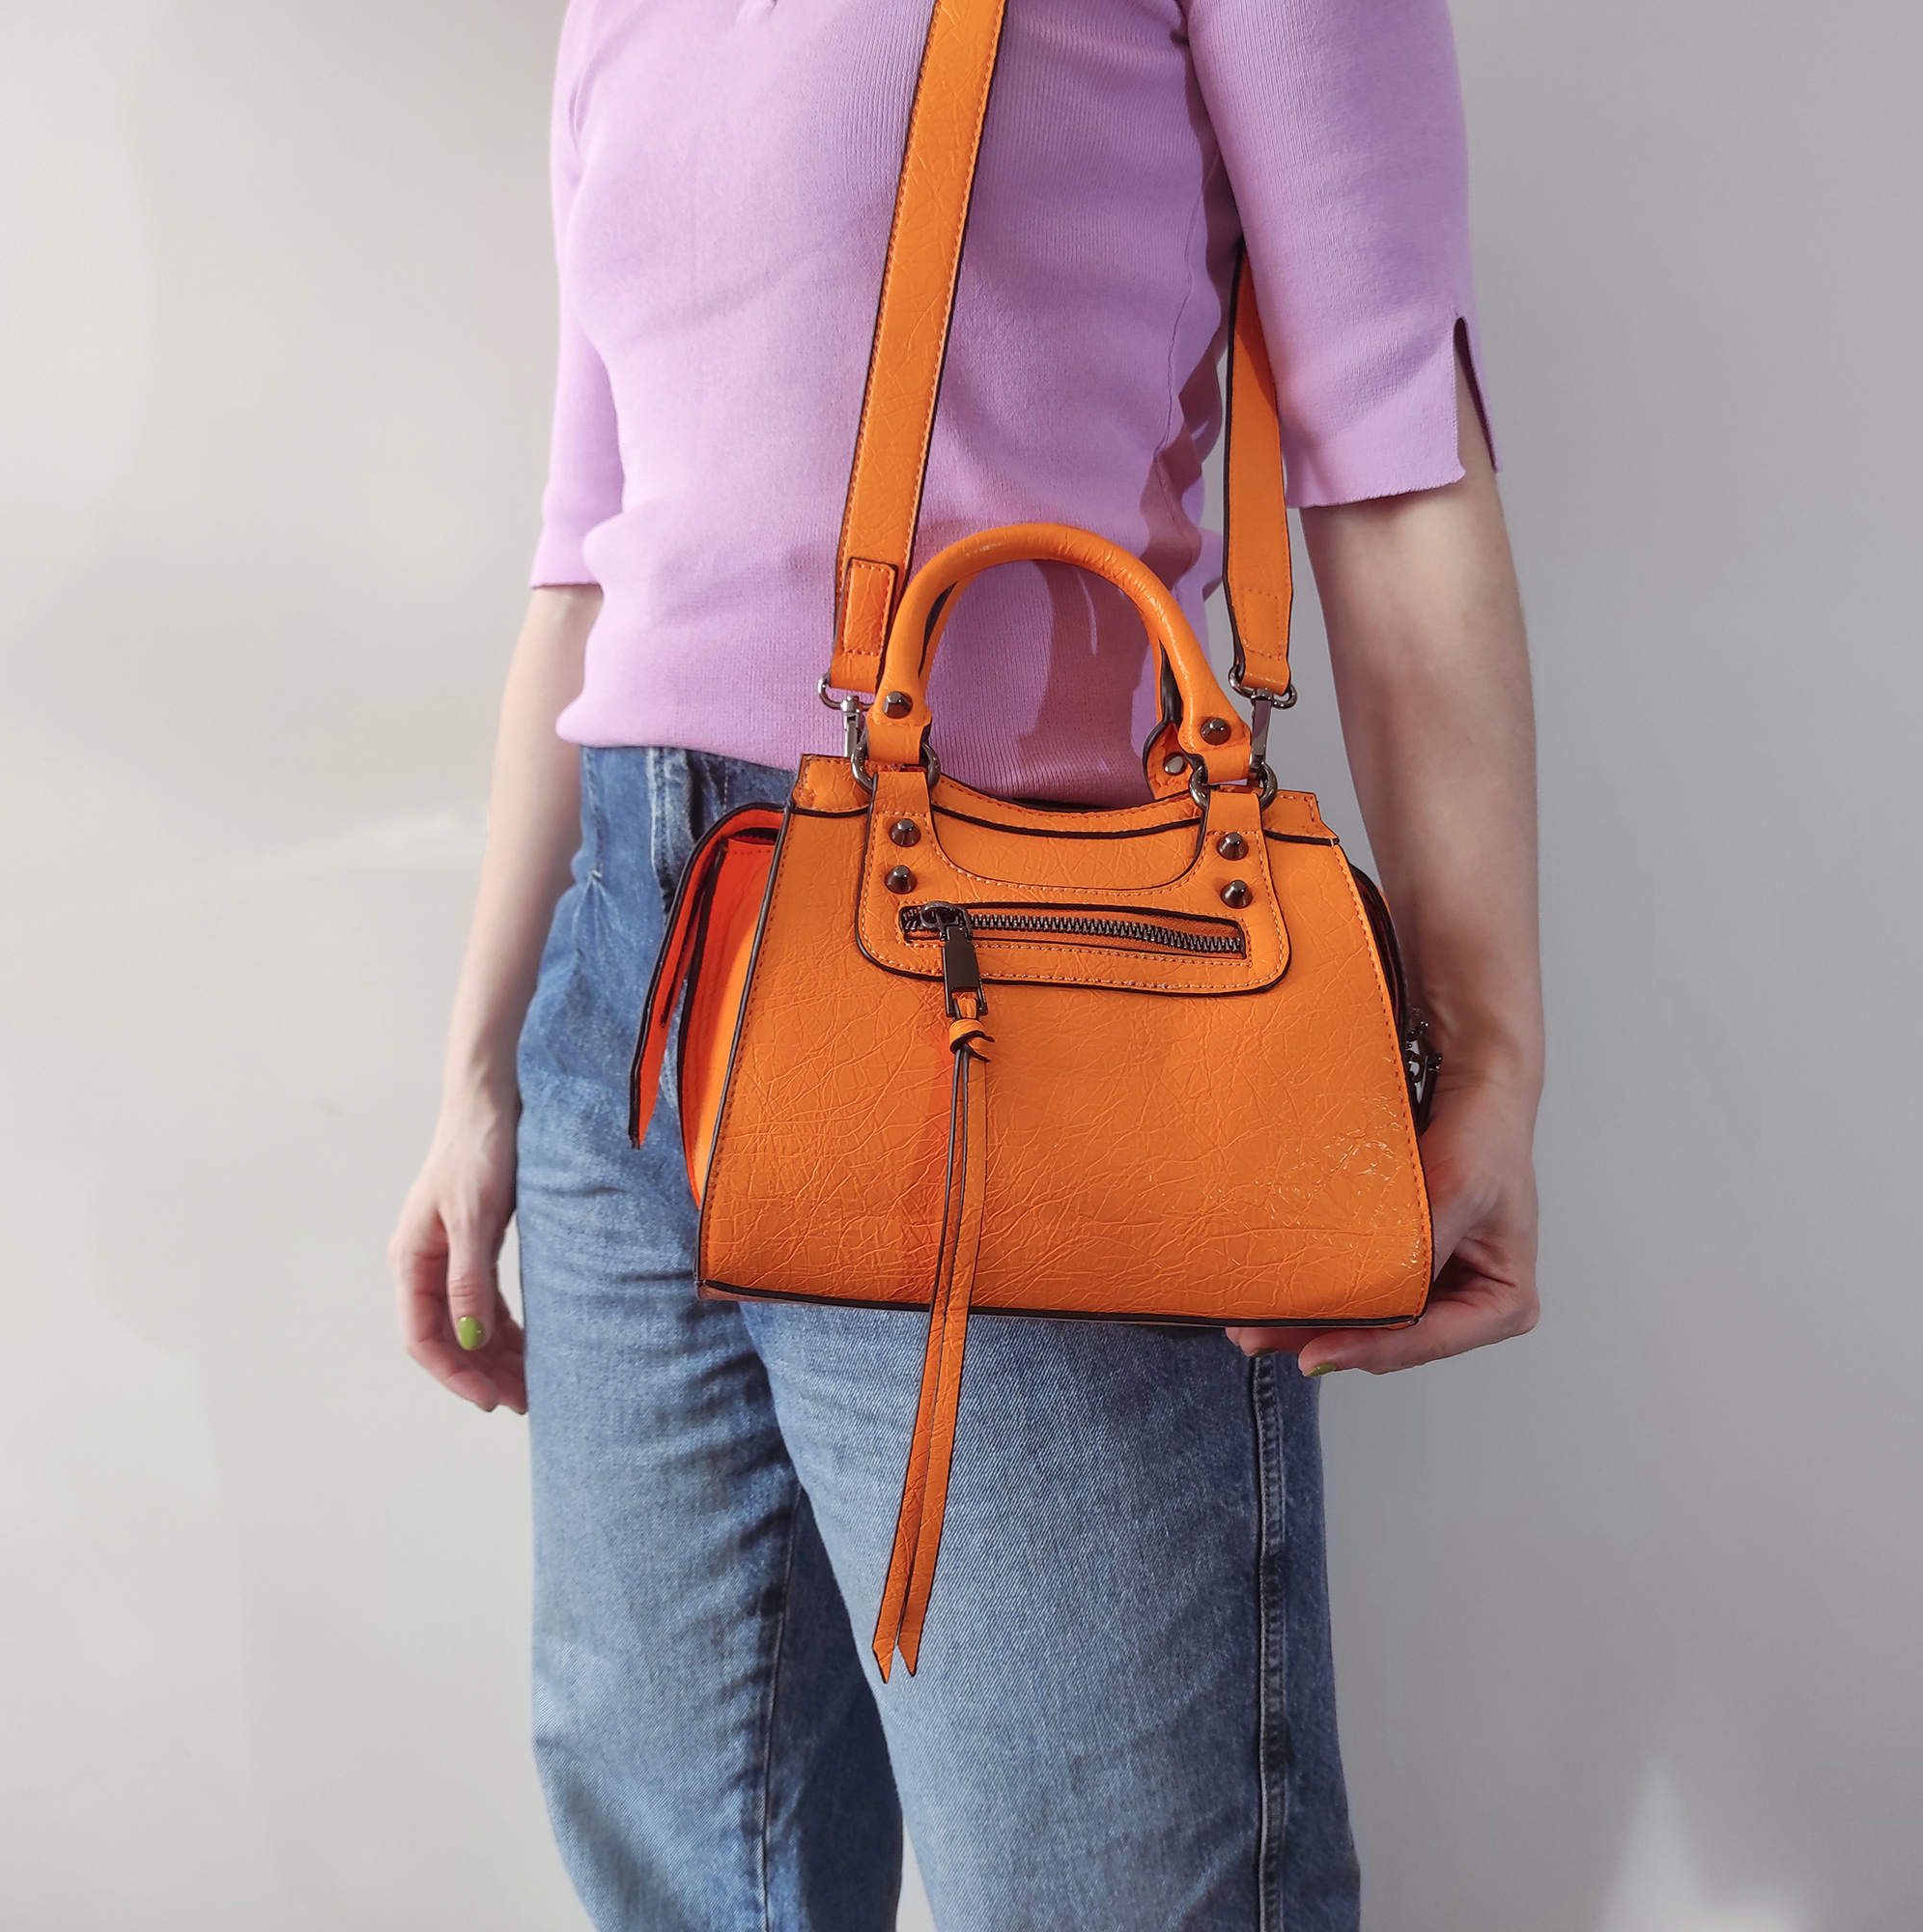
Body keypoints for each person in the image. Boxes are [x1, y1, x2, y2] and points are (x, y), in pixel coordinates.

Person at [388, 0, 1542, 1924]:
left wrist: (1487, 1040)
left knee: (1107, 1887)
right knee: (688, 1872)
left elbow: (1393, 456)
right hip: (627, 1008)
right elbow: (589, 554)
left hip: (1016, 1002)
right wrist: (480, 1076)